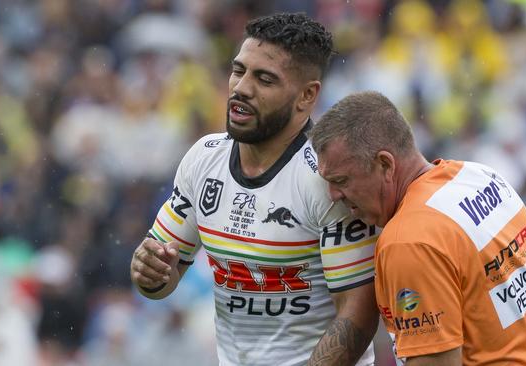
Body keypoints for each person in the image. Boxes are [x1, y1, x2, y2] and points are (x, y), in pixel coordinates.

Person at [129, 13, 380, 366]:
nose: (241, 88)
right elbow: (159, 281)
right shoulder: (203, 159)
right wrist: (148, 271)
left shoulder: (329, 178)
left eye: (264, 79)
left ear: (306, 96)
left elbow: (359, 312)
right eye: (238, 70)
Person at [309, 91, 526, 365]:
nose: (333, 195)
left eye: (341, 180)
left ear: (385, 164)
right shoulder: (481, 177)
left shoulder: (408, 242)